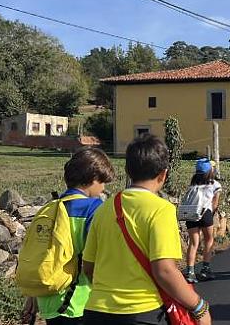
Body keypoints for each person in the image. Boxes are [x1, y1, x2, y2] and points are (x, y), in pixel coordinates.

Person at [82, 134, 211, 324]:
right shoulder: (161, 210)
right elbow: (165, 271)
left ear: (127, 170)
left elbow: (88, 267)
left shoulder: (104, 208)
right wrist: (199, 306)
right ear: (163, 175)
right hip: (142, 311)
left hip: (96, 311)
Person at [20, 148, 116, 325]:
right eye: (103, 182)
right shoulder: (93, 208)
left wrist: (33, 295)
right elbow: (98, 259)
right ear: (93, 178)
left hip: (48, 302)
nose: (104, 188)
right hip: (80, 302)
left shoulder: (49, 208)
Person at [183, 158, 222, 283]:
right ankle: (205, 269)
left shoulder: (193, 184)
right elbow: (215, 204)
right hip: (206, 213)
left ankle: (190, 272)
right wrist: (212, 214)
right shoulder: (215, 185)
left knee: (193, 243)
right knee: (209, 239)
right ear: (210, 171)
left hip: (191, 213)